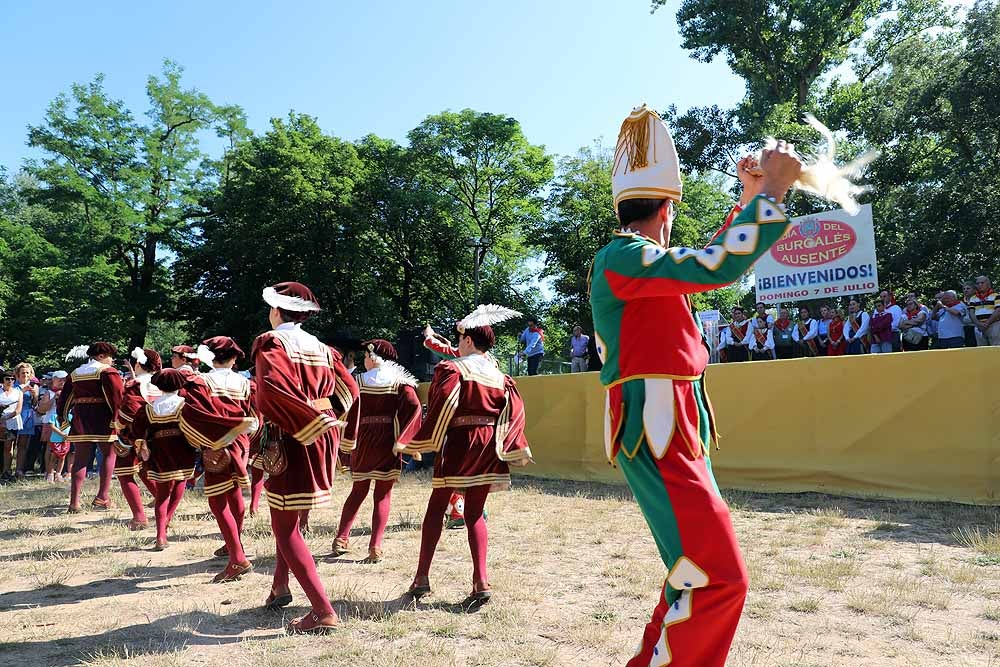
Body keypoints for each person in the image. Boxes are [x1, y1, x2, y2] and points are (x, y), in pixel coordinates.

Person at [588, 105, 802, 667]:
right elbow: (715, 266)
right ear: (668, 209)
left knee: (693, 568)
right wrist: (771, 194)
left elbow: (705, 262)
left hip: (668, 426)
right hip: (657, 428)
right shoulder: (626, 253)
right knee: (716, 575)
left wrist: (751, 197)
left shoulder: (639, 261)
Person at [396, 304, 532, 605]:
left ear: (469, 341)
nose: (457, 345)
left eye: (460, 340)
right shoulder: (501, 376)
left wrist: (423, 439)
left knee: (436, 508)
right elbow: (514, 411)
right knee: (474, 513)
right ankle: (480, 580)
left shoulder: (454, 369)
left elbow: (444, 402)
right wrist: (511, 444)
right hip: (489, 447)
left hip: (461, 443)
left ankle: (421, 578)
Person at [253, 281, 358, 634]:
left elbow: (270, 391)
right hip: (318, 435)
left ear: (277, 310)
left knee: (284, 526)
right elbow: (350, 391)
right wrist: (328, 421)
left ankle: (322, 610)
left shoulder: (272, 343)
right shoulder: (324, 349)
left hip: (291, 436)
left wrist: (306, 423)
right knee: (290, 516)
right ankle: (279, 586)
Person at [335, 339, 422, 563]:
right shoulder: (400, 383)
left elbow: (345, 408)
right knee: (382, 494)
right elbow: (414, 407)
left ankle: (341, 537)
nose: (364, 360)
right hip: (388, 441)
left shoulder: (358, 381)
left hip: (363, 440)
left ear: (374, 357)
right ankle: (375, 546)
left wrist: (347, 439)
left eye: (366, 356)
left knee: (358, 490)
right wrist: (405, 439)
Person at [184, 336, 259, 583]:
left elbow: (193, 414)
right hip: (240, 443)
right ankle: (233, 543)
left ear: (210, 357)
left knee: (217, 501)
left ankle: (237, 558)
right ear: (235, 358)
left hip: (216, 444)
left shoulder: (201, 381)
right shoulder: (246, 383)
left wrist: (204, 441)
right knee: (235, 493)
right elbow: (255, 417)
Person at [125, 369, 198, 550]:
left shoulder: (149, 407)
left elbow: (136, 432)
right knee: (180, 482)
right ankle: (167, 521)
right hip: (182, 449)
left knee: (162, 494)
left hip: (159, 452)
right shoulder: (185, 404)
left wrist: (142, 446)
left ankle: (160, 535)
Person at [57, 343, 125, 513]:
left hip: (81, 418)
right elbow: (116, 398)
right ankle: (102, 497)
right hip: (103, 417)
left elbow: (64, 399)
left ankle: (74, 502)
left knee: (80, 459)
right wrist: (117, 419)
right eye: (110, 356)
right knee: (109, 454)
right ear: (101, 356)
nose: (112, 360)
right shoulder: (107, 372)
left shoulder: (76, 373)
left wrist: (63, 418)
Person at [113, 348, 163, 530]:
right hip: (160, 435)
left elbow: (128, 412)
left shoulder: (134, 385)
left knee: (125, 474)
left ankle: (139, 517)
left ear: (138, 364)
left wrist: (118, 425)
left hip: (134, 436)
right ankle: (164, 510)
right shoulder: (163, 382)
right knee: (145, 471)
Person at [38, 371, 68, 482]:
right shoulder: (49, 393)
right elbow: (41, 409)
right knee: (50, 448)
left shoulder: (68, 393)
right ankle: (49, 472)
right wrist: (54, 397)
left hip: (64, 422)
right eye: (60, 379)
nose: (62, 381)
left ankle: (59, 472)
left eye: (64, 379)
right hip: (50, 422)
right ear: (54, 380)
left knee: (64, 448)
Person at [13, 363, 39, 479]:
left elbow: (35, 404)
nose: (25, 375)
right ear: (18, 374)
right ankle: (6, 468)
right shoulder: (14, 385)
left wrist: (34, 396)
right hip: (14, 415)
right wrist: (22, 392)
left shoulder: (33, 386)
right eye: (23, 372)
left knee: (23, 445)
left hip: (27, 415)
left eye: (27, 372)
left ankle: (19, 470)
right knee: (10, 443)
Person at [1, 372, 23, 481]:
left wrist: (6, 417)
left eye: (12, 379)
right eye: (7, 378)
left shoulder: (18, 392)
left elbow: (18, 410)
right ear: (3, 380)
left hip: (12, 421)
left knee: (8, 447)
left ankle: (6, 470)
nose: (10, 381)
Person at [968, 276, 1000, 346]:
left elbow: (998, 311)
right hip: (978, 327)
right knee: (981, 349)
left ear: (988, 284)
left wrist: (987, 323)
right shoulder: (973, 298)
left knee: (995, 347)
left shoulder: (996, 296)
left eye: (982, 283)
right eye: (977, 283)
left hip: (994, 325)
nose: (979, 285)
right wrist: (978, 323)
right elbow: (971, 312)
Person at [961, 282, 979, 347]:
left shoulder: (978, 300)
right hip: (965, 328)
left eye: (968, 288)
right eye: (964, 289)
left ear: (974, 290)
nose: (965, 290)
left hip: (977, 327)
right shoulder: (961, 303)